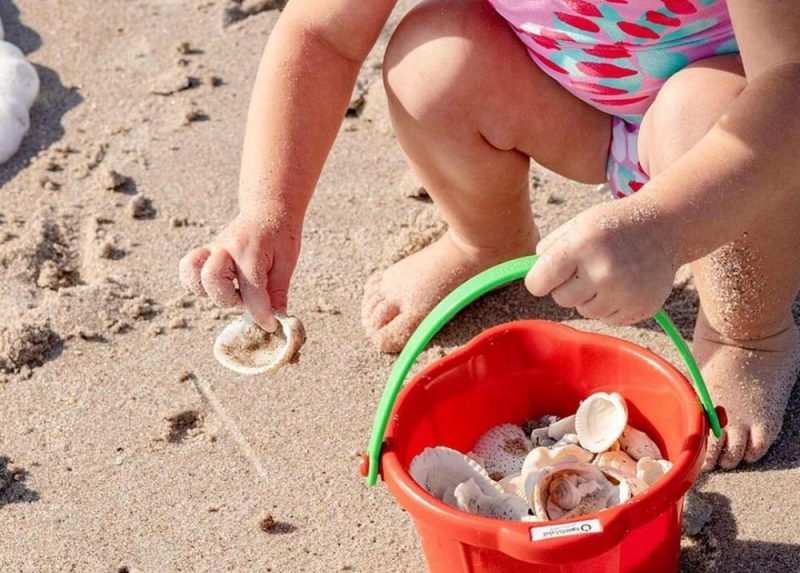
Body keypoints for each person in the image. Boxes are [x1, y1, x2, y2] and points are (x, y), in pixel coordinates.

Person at [178, 0, 800, 470]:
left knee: (695, 111)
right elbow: (320, 34)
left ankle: (751, 333)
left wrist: (662, 230)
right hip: (585, 104)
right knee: (435, 60)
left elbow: (790, 85)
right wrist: (270, 210)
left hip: (746, 141)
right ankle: (486, 241)